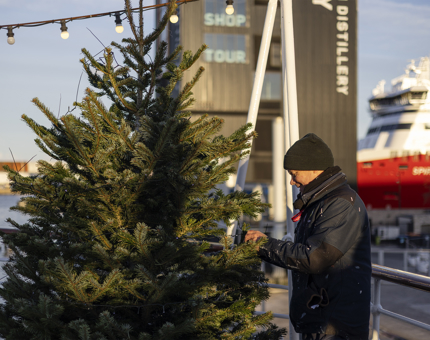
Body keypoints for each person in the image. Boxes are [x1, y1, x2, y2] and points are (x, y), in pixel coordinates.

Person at [245, 133, 371, 340]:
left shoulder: (340, 204)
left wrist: (263, 245)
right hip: (320, 316)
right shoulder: (319, 202)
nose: (292, 181)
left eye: (295, 174)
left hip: (336, 325)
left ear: (315, 168)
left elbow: (315, 257)